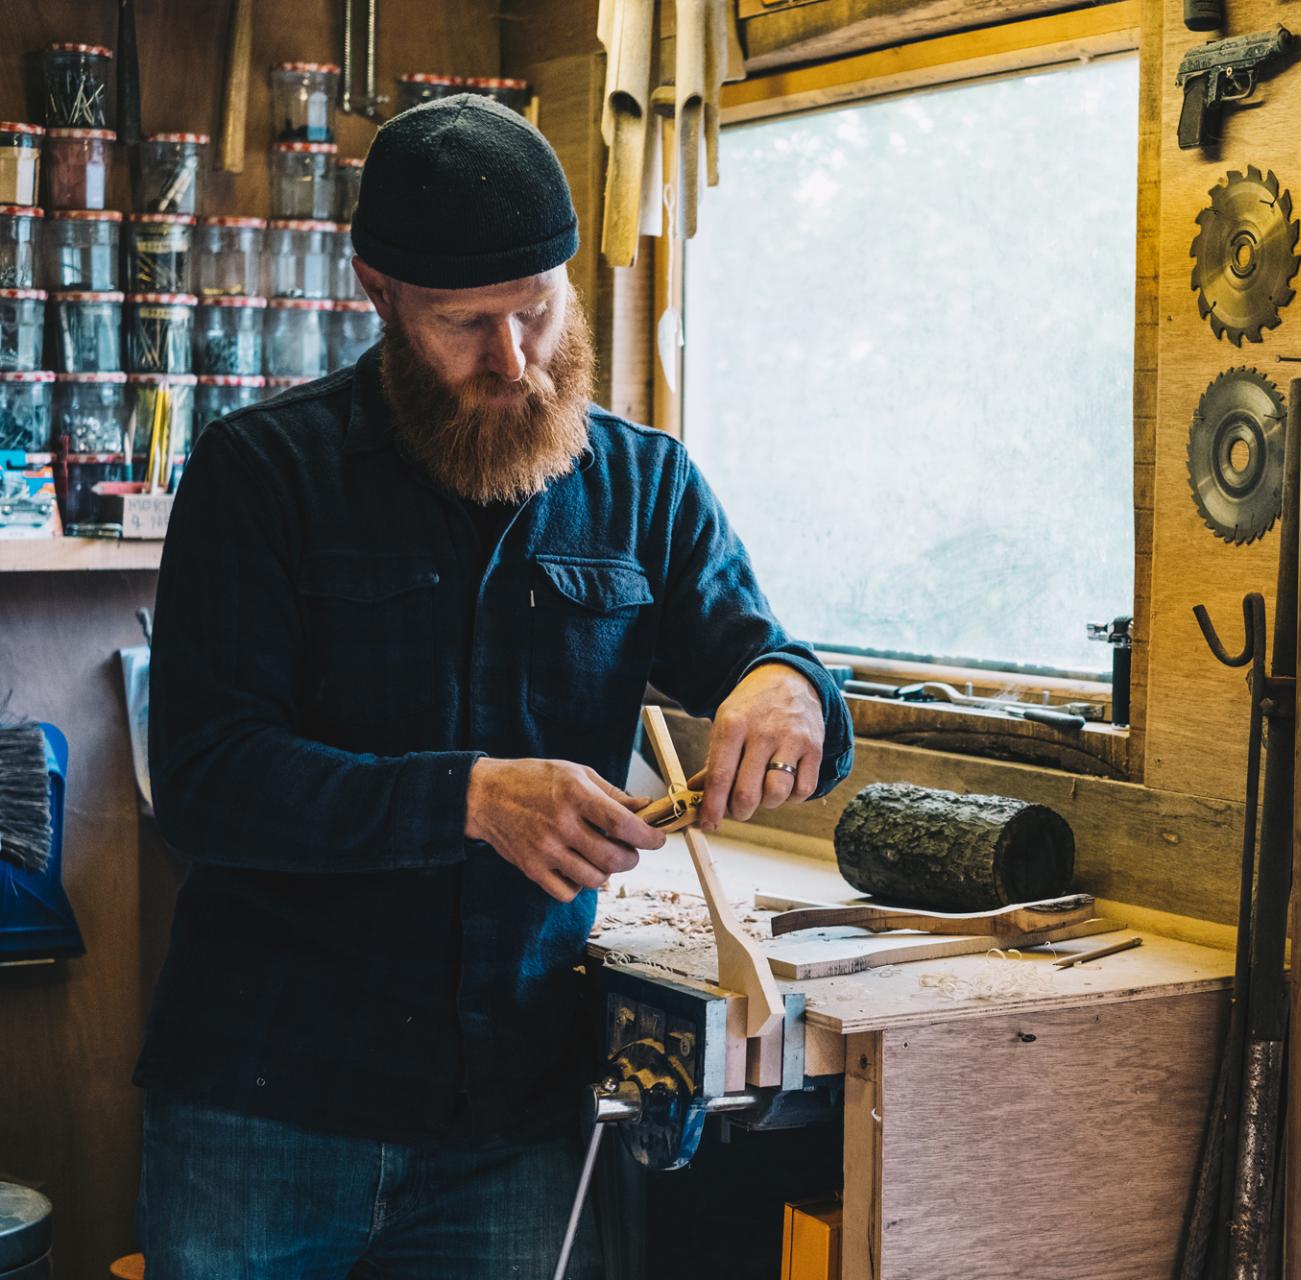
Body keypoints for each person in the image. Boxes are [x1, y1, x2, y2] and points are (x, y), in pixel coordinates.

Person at [137, 93, 853, 1277]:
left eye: (537, 310)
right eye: (466, 324)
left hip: (512, 1115)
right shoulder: (260, 474)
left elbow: (770, 661)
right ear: (378, 292)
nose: (513, 362)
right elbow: (210, 783)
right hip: (267, 1104)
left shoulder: (646, 486)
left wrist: (789, 689)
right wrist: (468, 797)